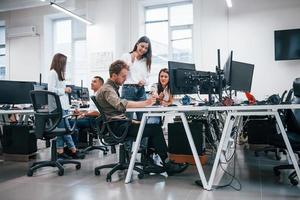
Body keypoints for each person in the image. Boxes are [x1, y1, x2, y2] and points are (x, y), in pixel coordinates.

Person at [96, 60, 188, 175]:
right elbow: (120, 105)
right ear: (114, 75)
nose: (125, 79)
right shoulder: (107, 89)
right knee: (155, 129)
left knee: (151, 127)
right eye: (123, 76)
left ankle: (150, 161)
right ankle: (168, 165)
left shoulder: (110, 88)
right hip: (118, 127)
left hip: (119, 125)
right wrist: (145, 103)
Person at [48, 53, 84, 159]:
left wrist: (65, 90)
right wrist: (64, 90)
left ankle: (60, 151)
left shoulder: (59, 74)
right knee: (66, 129)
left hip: (63, 106)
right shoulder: (53, 73)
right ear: (60, 62)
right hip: (57, 107)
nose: (65, 65)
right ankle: (73, 150)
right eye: (64, 63)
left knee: (61, 130)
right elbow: (51, 90)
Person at [121, 36, 152, 120]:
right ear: (137, 44)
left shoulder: (146, 61)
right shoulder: (126, 56)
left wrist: (144, 81)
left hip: (141, 90)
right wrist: (132, 60)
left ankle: (141, 133)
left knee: (143, 118)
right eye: (142, 46)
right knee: (128, 118)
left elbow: (148, 78)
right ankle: (128, 133)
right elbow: (122, 73)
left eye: (146, 48)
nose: (143, 49)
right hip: (128, 89)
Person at [73, 76, 104, 144]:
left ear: (101, 85)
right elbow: (92, 110)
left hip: (94, 121)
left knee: (71, 123)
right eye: (92, 82)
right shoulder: (95, 95)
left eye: (94, 82)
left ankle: (73, 148)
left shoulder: (99, 96)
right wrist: (80, 112)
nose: (92, 83)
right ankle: (80, 144)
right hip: (92, 119)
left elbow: (98, 113)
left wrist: (84, 114)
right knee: (73, 120)